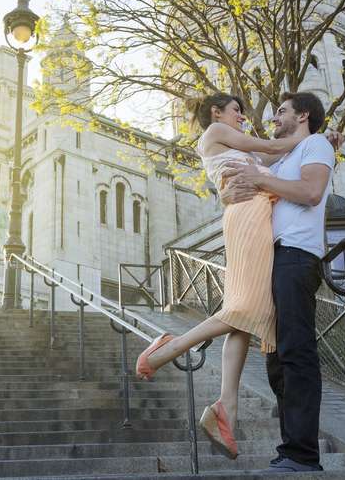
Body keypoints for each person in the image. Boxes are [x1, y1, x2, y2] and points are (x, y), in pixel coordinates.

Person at [134, 92, 314, 459]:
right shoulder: (215, 131)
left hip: (255, 215)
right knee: (246, 306)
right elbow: (270, 145)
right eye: (237, 110)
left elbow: (271, 155)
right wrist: (315, 137)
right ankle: (164, 350)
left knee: (245, 318)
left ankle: (225, 408)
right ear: (216, 112)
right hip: (248, 216)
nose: (242, 117)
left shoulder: (239, 150)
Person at [221, 91, 335, 474]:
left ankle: (303, 455)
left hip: (296, 257)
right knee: (275, 359)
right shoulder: (285, 155)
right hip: (271, 259)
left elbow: (311, 192)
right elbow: (246, 171)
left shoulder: (315, 144)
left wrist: (261, 180)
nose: (274, 118)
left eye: (281, 111)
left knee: (296, 352)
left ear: (302, 115)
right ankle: (290, 450)